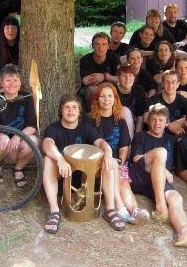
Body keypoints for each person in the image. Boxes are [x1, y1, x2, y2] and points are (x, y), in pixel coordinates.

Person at [42, 94, 126, 233]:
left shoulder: (85, 128)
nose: (71, 111)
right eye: (67, 107)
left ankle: (110, 210)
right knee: (48, 160)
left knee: (108, 160)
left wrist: (108, 153)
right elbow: (47, 144)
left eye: (74, 107)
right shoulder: (53, 128)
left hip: (85, 179)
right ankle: (54, 212)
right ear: (61, 110)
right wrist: (60, 159)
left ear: (79, 111)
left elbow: (101, 143)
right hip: (63, 177)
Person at [130, 104, 187, 247]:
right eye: (154, 119)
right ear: (148, 121)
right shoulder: (140, 136)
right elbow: (136, 158)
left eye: (161, 120)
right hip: (138, 175)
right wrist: (163, 168)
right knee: (161, 152)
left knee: (176, 197)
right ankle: (160, 208)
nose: (157, 123)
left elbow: (180, 165)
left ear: (167, 122)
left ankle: (184, 232)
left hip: (157, 181)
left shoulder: (171, 140)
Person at [89, 83, 150, 224]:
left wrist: (121, 162)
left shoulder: (120, 122)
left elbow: (124, 148)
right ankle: (120, 208)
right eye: (102, 96)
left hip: (116, 163)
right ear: (97, 99)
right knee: (113, 166)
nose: (106, 99)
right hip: (97, 165)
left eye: (110, 96)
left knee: (123, 181)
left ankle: (134, 210)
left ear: (115, 99)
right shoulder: (90, 121)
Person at [0, 64, 38, 186]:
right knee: (3, 139)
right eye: (8, 80)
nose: (12, 84)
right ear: (1, 83)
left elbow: (32, 126)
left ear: (20, 83)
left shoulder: (26, 98)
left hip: (13, 149)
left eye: (15, 80)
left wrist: (17, 136)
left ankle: (18, 168)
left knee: (33, 141)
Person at [79, 32, 120, 108]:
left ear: (108, 46)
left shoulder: (114, 57)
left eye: (104, 44)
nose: (100, 48)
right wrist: (110, 79)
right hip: (90, 90)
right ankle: (93, 113)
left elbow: (119, 78)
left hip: (109, 88)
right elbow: (85, 81)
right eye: (97, 44)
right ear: (92, 46)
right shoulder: (85, 59)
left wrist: (104, 76)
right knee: (92, 89)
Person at [147, 70, 187, 135]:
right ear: (162, 84)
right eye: (167, 82)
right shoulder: (153, 100)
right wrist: (169, 126)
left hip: (176, 136)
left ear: (178, 84)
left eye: (173, 82)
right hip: (157, 135)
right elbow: (146, 118)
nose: (170, 85)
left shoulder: (181, 100)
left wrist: (180, 121)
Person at [116, 64, 147, 136]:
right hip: (116, 123)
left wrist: (137, 136)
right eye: (124, 76)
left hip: (134, 125)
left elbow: (140, 116)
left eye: (130, 75)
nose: (127, 79)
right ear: (118, 78)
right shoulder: (113, 90)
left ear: (134, 77)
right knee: (124, 110)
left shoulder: (139, 89)